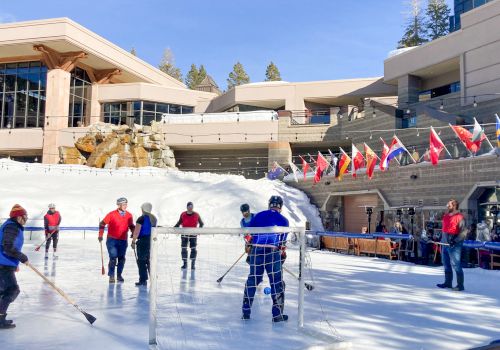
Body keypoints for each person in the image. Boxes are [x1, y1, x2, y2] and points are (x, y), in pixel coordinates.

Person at [242, 195, 289, 323]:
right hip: (272, 252)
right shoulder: (284, 220)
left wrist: (248, 247)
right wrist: (282, 254)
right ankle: (277, 315)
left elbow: (248, 235)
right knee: (276, 282)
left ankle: (246, 311)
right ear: (280, 206)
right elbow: (282, 244)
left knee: (253, 279)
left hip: (257, 250)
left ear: (269, 205)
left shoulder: (258, 215)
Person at [0, 204, 29, 329]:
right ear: (18, 217)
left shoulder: (11, 225)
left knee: (2, 291)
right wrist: (22, 258)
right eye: (25, 216)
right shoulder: (12, 227)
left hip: (6, 264)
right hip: (3, 264)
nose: (26, 219)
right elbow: (8, 247)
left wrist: (14, 263)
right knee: (12, 290)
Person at [98, 197, 135, 283]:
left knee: (121, 258)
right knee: (113, 257)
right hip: (112, 240)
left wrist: (134, 233)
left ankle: (119, 275)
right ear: (119, 205)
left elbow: (131, 226)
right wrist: (100, 235)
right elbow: (102, 223)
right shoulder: (111, 214)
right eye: (123, 204)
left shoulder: (129, 215)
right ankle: (111, 275)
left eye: (126, 204)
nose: (125, 206)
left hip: (123, 240)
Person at [437, 199, 466, 291]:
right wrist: (441, 239)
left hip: (454, 244)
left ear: (454, 206)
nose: (447, 206)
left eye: (449, 205)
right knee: (446, 263)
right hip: (444, 243)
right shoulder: (445, 216)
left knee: (456, 264)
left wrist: (455, 240)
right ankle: (448, 282)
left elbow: (464, 232)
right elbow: (444, 229)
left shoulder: (460, 216)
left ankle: (460, 285)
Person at [131, 203, 157, 287]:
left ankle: (143, 280)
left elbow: (137, 231)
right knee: (149, 260)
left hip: (142, 242)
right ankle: (153, 278)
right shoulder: (154, 218)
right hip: (151, 241)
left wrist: (133, 241)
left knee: (141, 261)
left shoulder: (141, 218)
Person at [174, 202, 204, 270]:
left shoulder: (196, 214)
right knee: (183, 248)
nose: (190, 207)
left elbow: (201, 223)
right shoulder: (183, 214)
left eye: (191, 206)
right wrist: (174, 228)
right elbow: (179, 222)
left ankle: (193, 264)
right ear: (187, 207)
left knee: (193, 248)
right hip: (184, 234)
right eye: (189, 206)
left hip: (193, 234)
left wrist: (199, 231)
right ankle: (185, 263)